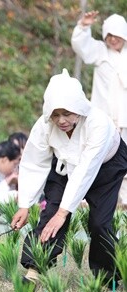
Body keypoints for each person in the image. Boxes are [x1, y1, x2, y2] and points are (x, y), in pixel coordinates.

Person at [11, 69, 127, 289]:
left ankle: (108, 276)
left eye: (66, 113)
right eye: (55, 115)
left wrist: (64, 213)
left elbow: (85, 170)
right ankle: (34, 269)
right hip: (64, 166)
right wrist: (24, 204)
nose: (61, 121)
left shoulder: (98, 123)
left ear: (79, 109)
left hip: (105, 168)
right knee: (51, 214)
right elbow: (34, 162)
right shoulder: (44, 126)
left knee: (100, 223)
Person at [71, 11, 127, 208]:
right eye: (109, 35)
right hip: (104, 118)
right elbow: (81, 45)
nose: (113, 40)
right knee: (98, 158)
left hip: (125, 118)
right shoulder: (100, 51)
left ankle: (125, 200)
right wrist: (84, 26)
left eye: (117, 35)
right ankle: (95, 199)